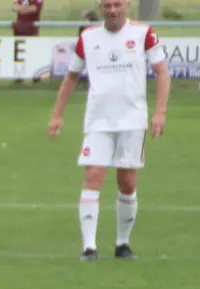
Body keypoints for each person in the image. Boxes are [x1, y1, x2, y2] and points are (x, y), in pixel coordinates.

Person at [47, 0, 168, 260]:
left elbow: (162, 71)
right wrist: (57, 114)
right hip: (98, 121)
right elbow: (71, 76)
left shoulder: (143, 33)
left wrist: (160, 111)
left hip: (132, 120)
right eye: (107, 5)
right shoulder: (88, 37)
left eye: (117, 4)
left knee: (128, 182)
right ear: (101, 7)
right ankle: (88, 247)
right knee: (93, 175)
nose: (112, 10)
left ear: (126, 6)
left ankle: (123, 244)